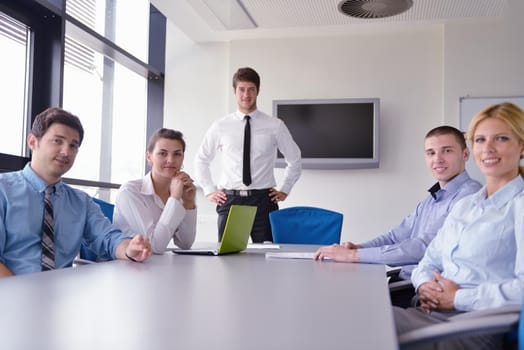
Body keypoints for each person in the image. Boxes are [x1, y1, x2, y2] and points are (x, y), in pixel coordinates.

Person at [393, 102, 524, 349]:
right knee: (352, 314)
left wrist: (457, 298)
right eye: (480, 140)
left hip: (471, 326)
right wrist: (424, 286)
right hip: (429, 314)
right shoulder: (467, 205)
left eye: (502, 138)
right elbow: (428, 261)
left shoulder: (519, 206)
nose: (488, 148)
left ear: (522, 146)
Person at [314, 126, 481, 281]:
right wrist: (358, 248)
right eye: (430, 153)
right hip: (406, 281)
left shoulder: (469, 195)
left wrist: (353, 256)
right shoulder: (432, 199)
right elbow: (395, 236)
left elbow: (424, 247)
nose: (437, 159)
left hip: (423, 291)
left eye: (447, 151)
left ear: (465, 154)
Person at [0, 107, 151, 278]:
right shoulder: (3, 190)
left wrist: (129, 248)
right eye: (58, 141)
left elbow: (107, 238)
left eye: (73, 145)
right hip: (10, 295)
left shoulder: (81, 201)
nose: (66, 152)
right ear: (33, 142)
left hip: (63, 294)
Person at [194, 67, 302, 243]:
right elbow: (201, 159)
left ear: (258, 91)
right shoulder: (220, 126)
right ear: (234, 91)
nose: (246, 94)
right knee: (230, 259)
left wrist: (285, 190)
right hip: (231, 201)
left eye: (251, 89)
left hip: (263, 202)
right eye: (241, 89)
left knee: (266, 258)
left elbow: (295, 159)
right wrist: (208, 190)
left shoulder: (275, 125)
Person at [113, 128, 196, 254]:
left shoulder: (176, 190)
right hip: (125, 267)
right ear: (149, 157)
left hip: (153, 266)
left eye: (177, 154)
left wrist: (188, 202)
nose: (171, 160)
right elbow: (154, 246)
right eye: (163, 153)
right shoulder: (130, 192)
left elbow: (185, 243)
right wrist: (174, 198)